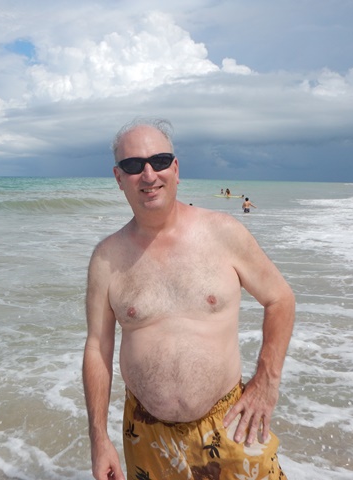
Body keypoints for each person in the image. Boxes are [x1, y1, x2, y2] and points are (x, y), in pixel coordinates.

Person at [82, 118, 295, 480]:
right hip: (146, 434)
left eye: (160, 161)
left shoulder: (223, 233)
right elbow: (97, 347)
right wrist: (99, 439)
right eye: (133, 165)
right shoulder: (106, 258)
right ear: (119, 178)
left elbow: (281, 299)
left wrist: (266, 381)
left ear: (176, 169)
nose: (149, 174)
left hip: (231, 423)